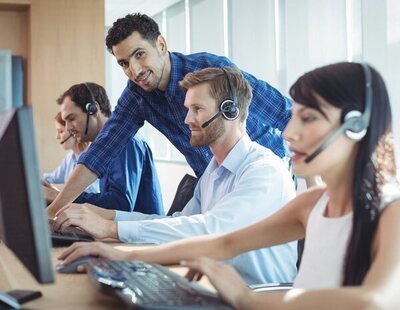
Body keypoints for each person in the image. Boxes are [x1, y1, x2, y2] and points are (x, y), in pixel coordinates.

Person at [59, 62, 400, 308]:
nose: (289, 133)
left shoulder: (391, 212)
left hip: (262, 294)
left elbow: (374, 300)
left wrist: (247, 299)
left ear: (355, 126)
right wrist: (117, 251)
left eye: (308, 118)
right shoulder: (311, 204)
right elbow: (222, 243)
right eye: (294, 116)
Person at [55, 67, 297, 285]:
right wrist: (108, 218)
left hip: (258, 296)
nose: (186, 119)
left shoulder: (264, 170)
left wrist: (111, 230)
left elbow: (212, 230)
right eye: (187, 109)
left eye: (197, 109)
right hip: (218, 289)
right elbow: (179, 221)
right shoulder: (213, 170)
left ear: (230, 111)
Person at [47, 13, 293, 213]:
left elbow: (283, 112)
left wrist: (314, 181)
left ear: (161, 45)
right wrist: (53, 210)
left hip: (259, 174)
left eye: (139, 54)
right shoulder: (136, 95)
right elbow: (100, 153)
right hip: (211, 180)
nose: (134, 70)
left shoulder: (211, 70)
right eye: (123, 63)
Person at [46, 83, 164, 218]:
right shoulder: (97, 148)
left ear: (94, 109)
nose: (67, 128)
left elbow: (121, 204)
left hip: (139, 234)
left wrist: (61, 198)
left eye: (71, 119)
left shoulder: (125, 141)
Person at [42, 112, 99, 195]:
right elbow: (53, 178)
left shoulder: (90, 157)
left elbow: (89, 191)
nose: (57, 137)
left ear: (73, 132)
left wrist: (54, 188)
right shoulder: (70, 157)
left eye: (60, 131)